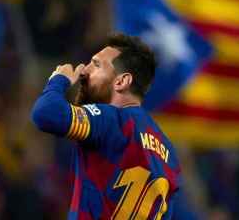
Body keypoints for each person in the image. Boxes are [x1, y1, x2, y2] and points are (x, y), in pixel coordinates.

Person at [31, 33, 181, 219]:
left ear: (121, 81)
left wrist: (58, 80)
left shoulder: (112, 120)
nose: (84, 71)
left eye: (96, 64)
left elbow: (45, 113)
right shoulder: (169, 155)